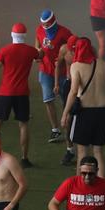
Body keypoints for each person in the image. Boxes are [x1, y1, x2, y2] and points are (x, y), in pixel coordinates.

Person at [0, 22, 41, 165]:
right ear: (24, 35)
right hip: (22, 94)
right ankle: (24, 158)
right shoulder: (30, 51)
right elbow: (40, 54)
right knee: (23, 125)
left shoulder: (5, 51)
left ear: (12, 35)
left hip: (5, 93)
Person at [60, 37, 105, 177]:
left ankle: (80, 186)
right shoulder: (102, 64)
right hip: (101, 112)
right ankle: (102, 186)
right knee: (98, 152)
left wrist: (65, 113)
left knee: (82, 152)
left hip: (84, 113)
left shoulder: (76, 66)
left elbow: (73, 92)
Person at [35, 9, 76, 165]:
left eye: (48, 25)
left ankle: (69, 128)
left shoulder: (65, 32)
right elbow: (37, 42)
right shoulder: (39, 30)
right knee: (48, 99)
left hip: (63, 72)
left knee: (66, 103)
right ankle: (55, 129)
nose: (45, 28)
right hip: (46, 70)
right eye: (44, 25)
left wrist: (69, 67)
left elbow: (73, 48)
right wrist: (37, 53)